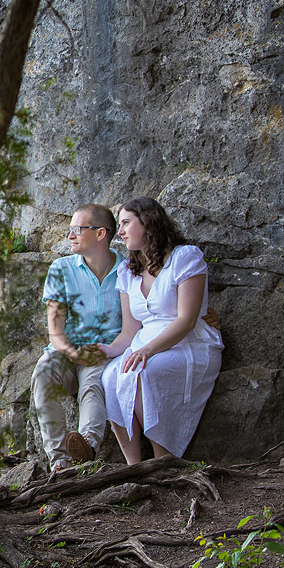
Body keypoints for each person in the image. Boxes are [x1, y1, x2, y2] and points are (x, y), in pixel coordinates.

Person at [100, 197, 223, 463]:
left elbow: (187, 320)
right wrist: (106, 351)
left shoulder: (185, 257)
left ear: (147, 222)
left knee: (145, 372)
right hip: (144, 342)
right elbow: (130, 331)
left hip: (189, 343)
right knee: (110, 376)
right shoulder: (127, 271)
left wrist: (148, 350)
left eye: (126, 223)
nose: (120, 232)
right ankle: (133, 465)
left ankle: (162, 459)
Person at [33, 203, 123, 473]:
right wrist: (73, 353)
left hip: (103, 351)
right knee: (43, 374)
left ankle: (87, 447)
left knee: (94, 384)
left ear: (100, 233)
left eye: (77, 229)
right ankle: (59, 460)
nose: (70, 235)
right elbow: (56, 331)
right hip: (65, 351)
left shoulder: (127, 270)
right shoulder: (60, 269)